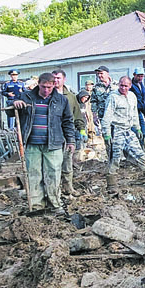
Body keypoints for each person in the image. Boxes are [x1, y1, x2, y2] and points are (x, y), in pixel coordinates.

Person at [8, 73, 75, 214]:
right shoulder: (27, 97)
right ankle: (37, 206)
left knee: (53, 175)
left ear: (54, 86)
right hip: (32, 143)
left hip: (54, 144)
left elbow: (68, 121)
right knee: (34, 175)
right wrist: (14, 104)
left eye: (49, 87)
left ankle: (54, 205)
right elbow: (10, 111)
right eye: (44, 87)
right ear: (38, 84)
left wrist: (71, 140)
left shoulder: (61, 100)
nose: (46, 90)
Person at [101, 76, 145, 194]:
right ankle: (111, 184)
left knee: (139, 153)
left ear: (130, 86)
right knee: (115, 157)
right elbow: (107, 116)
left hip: (128, 130)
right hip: (116, 130)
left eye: (126, 86)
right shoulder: (113, 97)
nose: (123, 88)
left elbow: (134, 114)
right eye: (121, 85)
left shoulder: (132, 97)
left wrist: (137, 129)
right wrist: (106, 134)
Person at [52, 69, 86, 197]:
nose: (56, 80)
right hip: (52, 135)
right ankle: (55, 190)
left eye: (58, 78)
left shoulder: (70, 97)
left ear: (64, 79)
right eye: (54, 78)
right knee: (53, 164)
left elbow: (77, 114)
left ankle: (68, 187)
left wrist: (81, 128)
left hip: (66, 135)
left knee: (67, 162)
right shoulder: (47, 95)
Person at [130, 67, 145, 148]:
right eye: (138, 76)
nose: (140, 78)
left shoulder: (140, 85)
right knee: (136, 132)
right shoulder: (131, 86)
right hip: (133, 112)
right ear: (134, 75)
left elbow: (142, 100)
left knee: (143, 132)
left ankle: (142, 149)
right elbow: (138, 101)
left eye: (142, 76)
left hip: (140, 111)